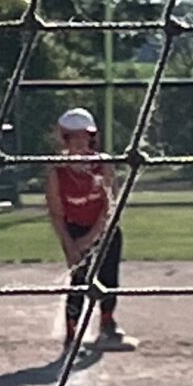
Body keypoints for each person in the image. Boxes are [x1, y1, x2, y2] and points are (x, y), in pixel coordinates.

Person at [46, 107, 137, 354]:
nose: (78, 142)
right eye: (72, 137)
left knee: (109, 279)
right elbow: (56, 213)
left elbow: (110, 209)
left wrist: (88, 239)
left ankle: (108, 325)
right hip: (74, 231)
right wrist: (69, 245)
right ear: (63, 139)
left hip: (105, 231)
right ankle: (71, 335)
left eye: (83, 136)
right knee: (78, 281)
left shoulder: (103, 164)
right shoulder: (57, 170)